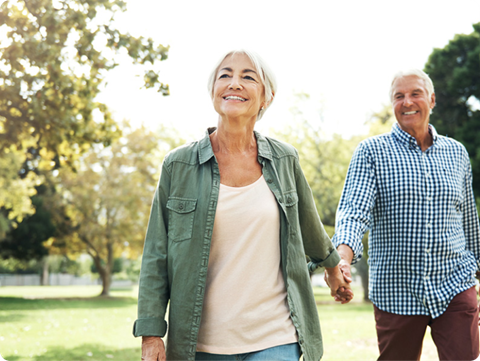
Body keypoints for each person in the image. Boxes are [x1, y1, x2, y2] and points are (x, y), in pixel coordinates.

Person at [133, 49, 353, 361]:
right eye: (225, 75)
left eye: (248, 77)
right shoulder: (178, 165)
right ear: (213, 91)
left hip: (275, 334)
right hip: (202, 342)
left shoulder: (284, 160)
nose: (234, 83)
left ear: (267, 97)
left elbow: (309, 226)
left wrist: (332, 268)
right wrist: (151, 334)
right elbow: (156, 255)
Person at [332, 69, 480, 361]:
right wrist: (342, 258)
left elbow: (468, 221)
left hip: (455, 283)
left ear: (432, 99)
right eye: (398, 96)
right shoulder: (372, 152)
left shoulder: (457, 153)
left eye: (415, 93)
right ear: (392, 104)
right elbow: (353, 211)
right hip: (396, 288)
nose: (407, 102)